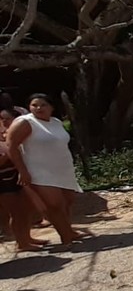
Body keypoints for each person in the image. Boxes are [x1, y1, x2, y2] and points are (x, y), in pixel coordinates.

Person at [5, 93, 86, 246]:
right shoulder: (25, 122)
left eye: (43, 105)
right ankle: (65, 236)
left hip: (62, 169)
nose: (39, 108)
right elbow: (11, 146)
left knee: (67, 201)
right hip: (39, 171)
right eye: (34, 105)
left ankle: (68, 230)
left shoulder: (56, 122)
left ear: (52, 107)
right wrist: (22, 171)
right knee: (54, 205)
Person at [0, 109, 44, 250]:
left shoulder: (10, 134)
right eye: (2, 119)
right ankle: (21, 243)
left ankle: (27, 237)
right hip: (4, 180)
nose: (4, 122)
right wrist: (8, 154)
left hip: (18, 175)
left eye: (6, 119)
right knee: (16, 211)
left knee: (26, 209)